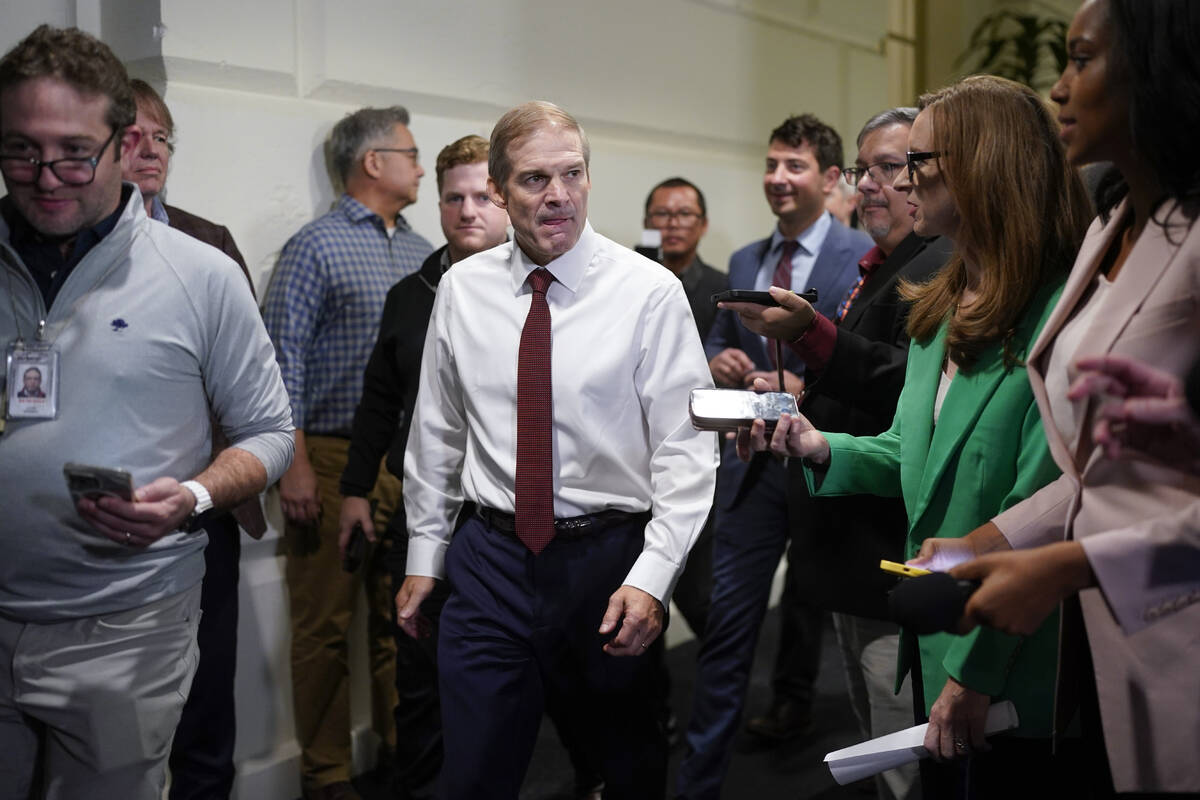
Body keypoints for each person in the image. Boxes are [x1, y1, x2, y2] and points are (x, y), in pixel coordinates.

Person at [743, 75, 1092, 798]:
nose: (903, 180)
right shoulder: (942, 299)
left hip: (1015, 660)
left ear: (982, 168)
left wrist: (974, 673)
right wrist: (818, 445)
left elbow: (1038, 516)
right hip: (936, 632)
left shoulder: (1060, 312)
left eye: (918, 162)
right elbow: (913, 450)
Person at [913, 1, 1200, 793]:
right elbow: (1094, 472)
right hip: (1111, 642)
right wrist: (991, 542)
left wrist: (1072, 565)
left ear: (1155, 68)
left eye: (1080, 59)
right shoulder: (1115, 221)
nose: (1059, 87)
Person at [0, 25, 293, 800]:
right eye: (20, 150)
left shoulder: (200, 272)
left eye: (72, 151)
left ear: (119, 142)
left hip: (124, 627)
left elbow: (271, 433)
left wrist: (194, 497)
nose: (45, 176)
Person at [395, 101, 718, 799]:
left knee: (625, 769)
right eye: (536, 179)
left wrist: (652, 575)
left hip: (606, 564)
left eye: (572, 174)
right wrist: (426, 555)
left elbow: (685, 452)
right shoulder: (463, 290)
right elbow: (438, 432)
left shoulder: (649, 293)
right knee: (473, 774)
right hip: (489, 561)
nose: (559, 196)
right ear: (501, 189)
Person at [337, 134, 599, 800]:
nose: (467, 211)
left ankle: (592, 770)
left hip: (523, 521)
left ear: (507, 198)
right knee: (421, 671)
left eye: (482, 195)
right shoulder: (414, 295)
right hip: (428, 508)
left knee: (556, 674)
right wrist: (356, 487)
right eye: (453, 197)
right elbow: (381, 400)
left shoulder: (561, 286)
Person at [720, 105, 952, 800]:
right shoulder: (887, 263)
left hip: (886, 551)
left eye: (891, 167)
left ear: (925, 177)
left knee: (904, 755)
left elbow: (905, 393)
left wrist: (814, 338)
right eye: (864, 169)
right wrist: (790, 404)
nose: (870, 186)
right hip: (850, 546)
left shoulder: (938, 262)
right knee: (879, 748)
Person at [678, 113, 870, 800]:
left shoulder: (862, 254)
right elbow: (711, 340)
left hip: (825, 458)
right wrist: (717, 359)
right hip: (751, 463)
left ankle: (803, 712)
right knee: (730, 623)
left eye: (794, 166)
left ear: (829, 178)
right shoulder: (743, 262)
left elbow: (871, 365)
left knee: (817, 606)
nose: (778, 178)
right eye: (771, 164)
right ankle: (699, 778)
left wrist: (805, 384)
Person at [262, 105, 432, 800]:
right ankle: (326, 774)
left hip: (406, 464)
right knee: (324, 627)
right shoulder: (316, 247)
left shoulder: (424, 252)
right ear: (373, 162)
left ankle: (403, 750)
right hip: (330, 460)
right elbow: (280, 361)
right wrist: (293, 462)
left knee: (403, 620)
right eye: (412, 153)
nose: (421, 166)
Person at [119, 77, 265, 800]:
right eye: (134, 136)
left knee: (207, 692)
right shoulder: (68, 249)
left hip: (204, 507)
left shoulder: (209, 245)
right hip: (100, 518)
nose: (151, 151)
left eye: (163, 137)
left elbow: (252, 389)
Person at [643, 177, 728, 346]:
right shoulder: (630, 281)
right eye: (662, 214)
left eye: (685, 213)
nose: (673, 223)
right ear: (646, 223)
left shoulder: (723, 288)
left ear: (703, 225)